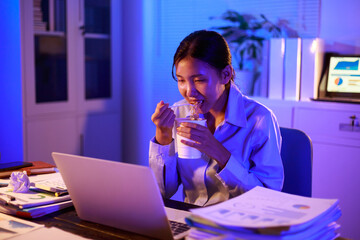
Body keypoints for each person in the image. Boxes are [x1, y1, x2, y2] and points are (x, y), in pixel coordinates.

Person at [149, 30, 284, 206]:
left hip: (237, 226)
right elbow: (163, 192)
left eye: (199, 80)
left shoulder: (260, 119)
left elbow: (268, 198)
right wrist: (163, 137)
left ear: (226, 75)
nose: (189, 92)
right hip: (192, 222)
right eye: (181, 80)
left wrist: (219, 153)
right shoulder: (179, 114)